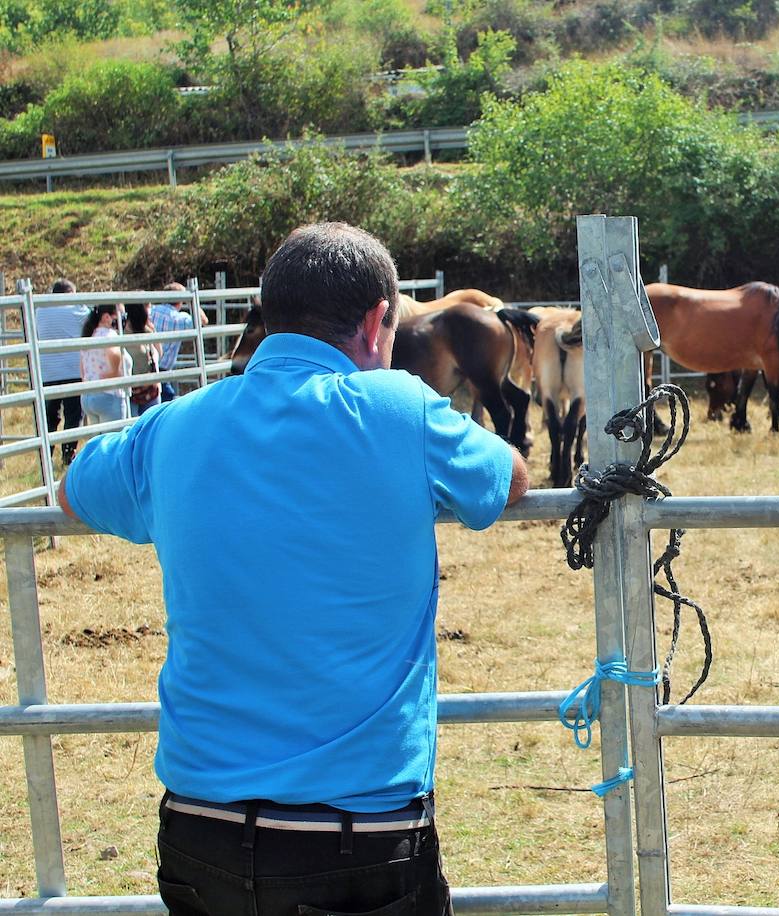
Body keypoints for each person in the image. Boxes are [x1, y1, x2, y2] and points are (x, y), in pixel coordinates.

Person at [57, 222, 530, 916]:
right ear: (379, 322)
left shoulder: (174, 424)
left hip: (199, 828)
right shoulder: (400, 409)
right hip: (357, 834)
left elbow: (73, 491)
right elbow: (505, 477)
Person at [34, 278, 88, 465]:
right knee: (73, 415)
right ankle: (68, 452)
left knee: (50, 415)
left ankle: (46, 452)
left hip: (48, 371)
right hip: (72, 370)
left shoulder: (40, 310)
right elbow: (89, 324)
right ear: (70, 294)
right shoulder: (77, 309)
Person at [148, 282, 204, 403]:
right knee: (167, 402)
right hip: (163, 371)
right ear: (180, 301)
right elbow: (203, 320)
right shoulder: (180, 318)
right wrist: (192, 299)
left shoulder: (151, 311)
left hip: (147, 366)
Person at [78, 304, 131, 427]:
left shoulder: (89, 335)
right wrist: (115, 373)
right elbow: (114, 353)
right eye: (120, 315)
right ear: (106, 317)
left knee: (97, 441)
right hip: (109, 393)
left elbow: (82, 367)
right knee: (114, 441)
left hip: (88, 395)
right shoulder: (109, 334)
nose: (122, 319)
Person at [122, 302, 163, 416]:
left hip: (136, 388)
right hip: (147, 388)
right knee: (150, 427)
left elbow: (158, 354)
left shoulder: (120, 332)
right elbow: (159, 353)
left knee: (133, 428)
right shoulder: (146, 331)